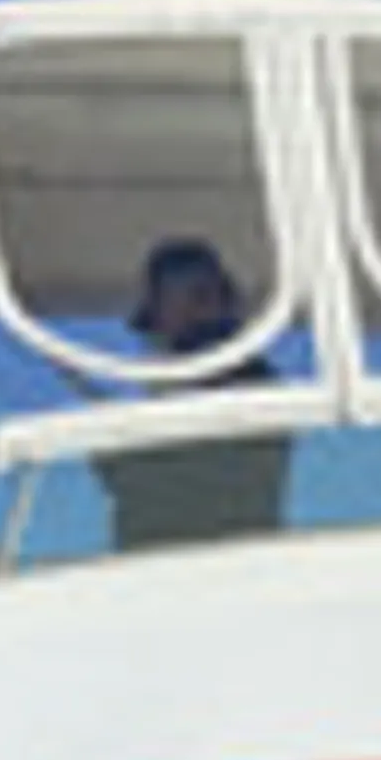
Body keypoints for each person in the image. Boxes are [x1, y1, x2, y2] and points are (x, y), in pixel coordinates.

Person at [101, 234, 289, 548]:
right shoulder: (160, 393)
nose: (200, 314)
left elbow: (204, 477)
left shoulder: (253, 385)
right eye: (182, 303)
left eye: (203, 298)